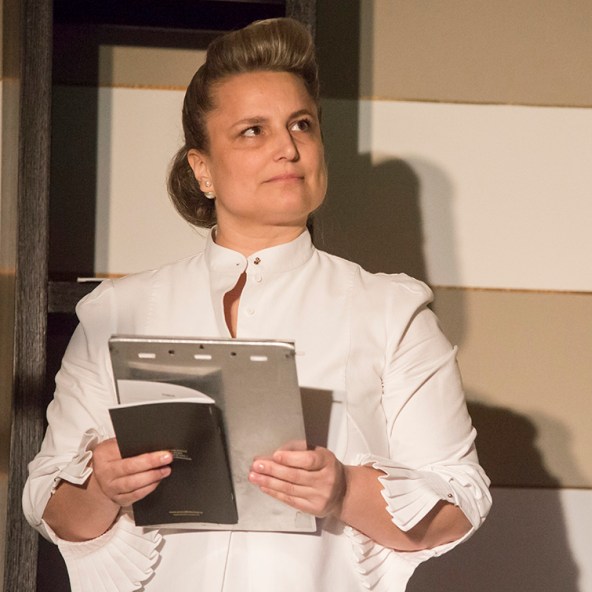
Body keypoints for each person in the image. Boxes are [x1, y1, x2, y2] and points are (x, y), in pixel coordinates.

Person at [23, 17, 491, 591]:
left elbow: (461, 501)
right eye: (252, 131)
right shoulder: (116, 311)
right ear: (202, 169)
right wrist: (103, 487)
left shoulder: (391, 312)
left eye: (302, 125)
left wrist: (343, 490)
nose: (288, 149)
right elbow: (49, 505)